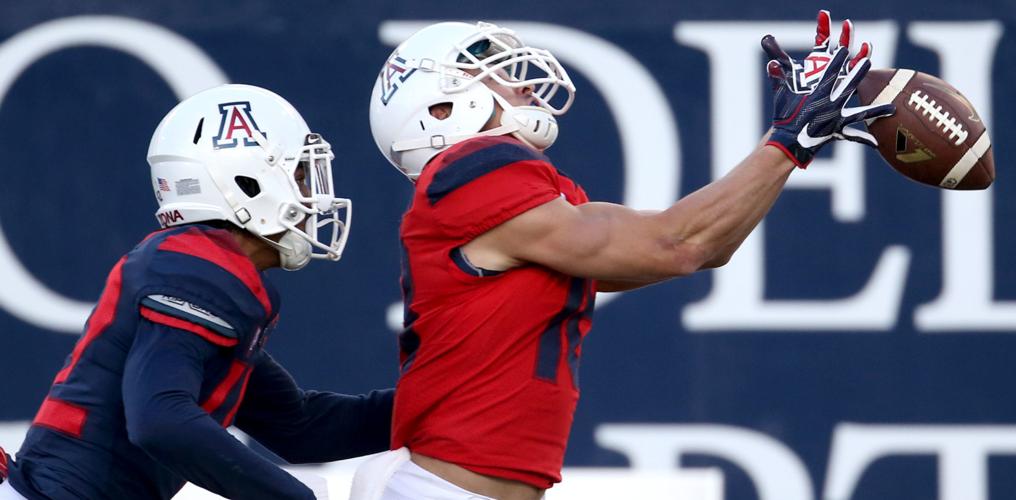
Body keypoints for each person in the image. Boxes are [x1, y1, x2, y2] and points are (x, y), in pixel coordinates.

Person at [356, 10, 893, 500]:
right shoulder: (473, 170)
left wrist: (791, 140)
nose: (522, 83)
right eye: (490, 72)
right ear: (441, 109)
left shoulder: (509, 194)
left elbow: (705, 245)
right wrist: (790, 138)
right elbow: (679, 244)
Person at [0, 84, 393, 500]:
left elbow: (304, 429)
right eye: (298, 176)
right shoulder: (199, 268)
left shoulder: (198, 267)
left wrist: (434, 400)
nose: (313, 195)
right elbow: (161, 421)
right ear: (246, 183)